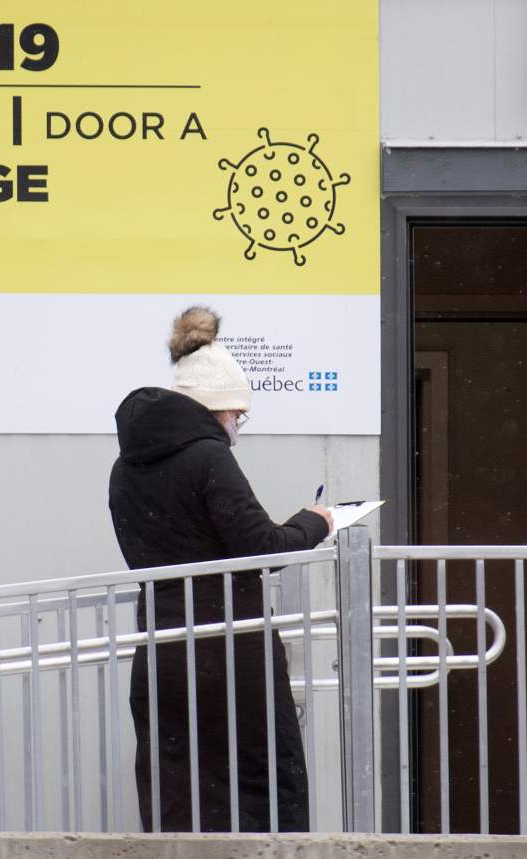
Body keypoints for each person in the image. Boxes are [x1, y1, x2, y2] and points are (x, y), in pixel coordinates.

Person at [109, 306, 333, 832]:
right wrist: (320, 521)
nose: (238, 428)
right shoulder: (208, 456)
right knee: (261, 785)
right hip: (231, 651)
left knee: (178, 789)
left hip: (163, 649)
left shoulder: (126, 465)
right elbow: (263, 546)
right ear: (217, 410)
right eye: (238, 416)